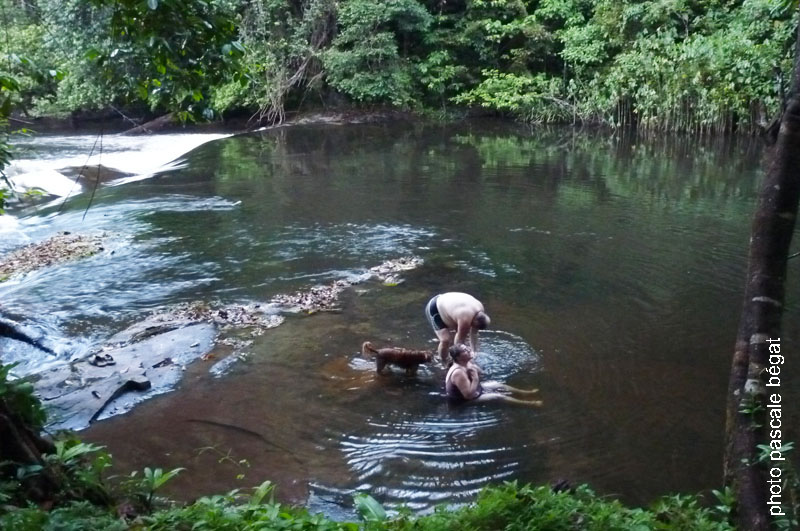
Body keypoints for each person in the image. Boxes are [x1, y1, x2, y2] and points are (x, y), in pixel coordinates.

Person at [445, 344, 542, 406]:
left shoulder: (466, 362)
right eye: (465, 351)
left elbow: (482, 373)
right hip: (463, 401)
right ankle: (529, 404)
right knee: (498, 396)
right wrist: (475, 379)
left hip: (474, 390)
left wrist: (474, 366)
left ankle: (523, 393)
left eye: (467, 348)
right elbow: (468, 396)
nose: (469, 350)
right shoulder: (458, 372)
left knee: (497, 384)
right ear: (458, 357)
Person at [425, 292, 490, 363]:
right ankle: (443, 362)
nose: (471, 327)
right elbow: (459, 343)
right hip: (435, 308)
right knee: (445, 340)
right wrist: (458, 362)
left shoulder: (480, 309)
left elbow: (474, 333)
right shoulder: (465, 319)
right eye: (472, 325)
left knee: (461, 334)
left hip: (449, 304)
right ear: (473, 321)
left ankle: (451, 359)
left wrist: (474, 353)